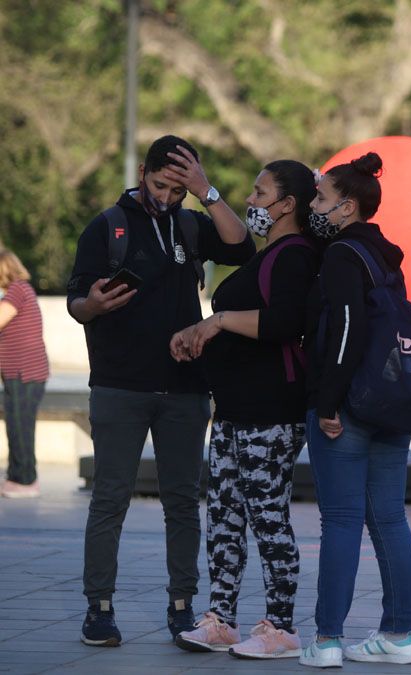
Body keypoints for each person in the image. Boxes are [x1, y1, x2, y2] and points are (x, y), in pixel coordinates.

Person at [66, 135, 255, 647]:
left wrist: (206, 192)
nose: (168, 197)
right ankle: (99, 609)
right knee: (110, 499)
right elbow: (76, 300)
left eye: (179, 189)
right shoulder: (107, 227)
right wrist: (95, 306)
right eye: (160, 185)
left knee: (181, 501)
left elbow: (242, 247)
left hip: (185, 389)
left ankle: (182, 607)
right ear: (143, 171)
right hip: (119, 385)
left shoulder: (192, 224)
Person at [168, 160, 320, 659]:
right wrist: (203, 331)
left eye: (260, 193)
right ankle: (221, 619)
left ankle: (281, 627)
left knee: (267, 516)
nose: (252, 201)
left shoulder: (295, 255)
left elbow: (282, 324)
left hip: (270, 411)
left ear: (287, 205)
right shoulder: (267, 254)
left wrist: (217, 322)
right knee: (226, 518)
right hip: (234, 410)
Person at [299, 152, 411, 668]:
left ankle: (327, 640)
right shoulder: (384, 256)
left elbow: (348, 327)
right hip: (391, 407)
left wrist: (327, 401)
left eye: (321, 200)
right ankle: (399, 633)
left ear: (347, 207)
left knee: (343, 521)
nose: (313, 207)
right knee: (390, 519)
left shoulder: (343, 256)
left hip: (345, 409)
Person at [0, 250, 50, 498]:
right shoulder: (17, 291)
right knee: (15, 425)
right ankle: (15, 477)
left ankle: (26, 480)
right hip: (18, 372)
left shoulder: (17, 290)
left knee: (20, 426)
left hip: (25, 372)